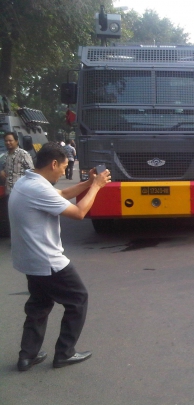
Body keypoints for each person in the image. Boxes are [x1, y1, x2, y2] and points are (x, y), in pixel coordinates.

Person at [9, 142, 111, 371]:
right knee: (78, 299)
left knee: (39, 304)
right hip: (47, 260)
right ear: (53, 163)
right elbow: (79, 212)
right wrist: (95, 187)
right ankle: (65, 353)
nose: (65, 172)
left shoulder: (27, 182)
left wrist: (90, 182)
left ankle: (27, 355)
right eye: (64, 167)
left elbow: (63, 194)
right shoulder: (38, 188)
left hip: (29, 259)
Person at [0, 132, 35, 234]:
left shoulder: (23, 154)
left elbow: (32, 171)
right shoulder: (5, 156)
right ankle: (17, 240)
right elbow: (4, 170)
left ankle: (27, 240)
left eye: (10, 140)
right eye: (6, 141)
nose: (8, 143)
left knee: (23, 218)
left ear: (16, 141)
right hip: (9, 193)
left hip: (21, 193)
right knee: (12, 218)